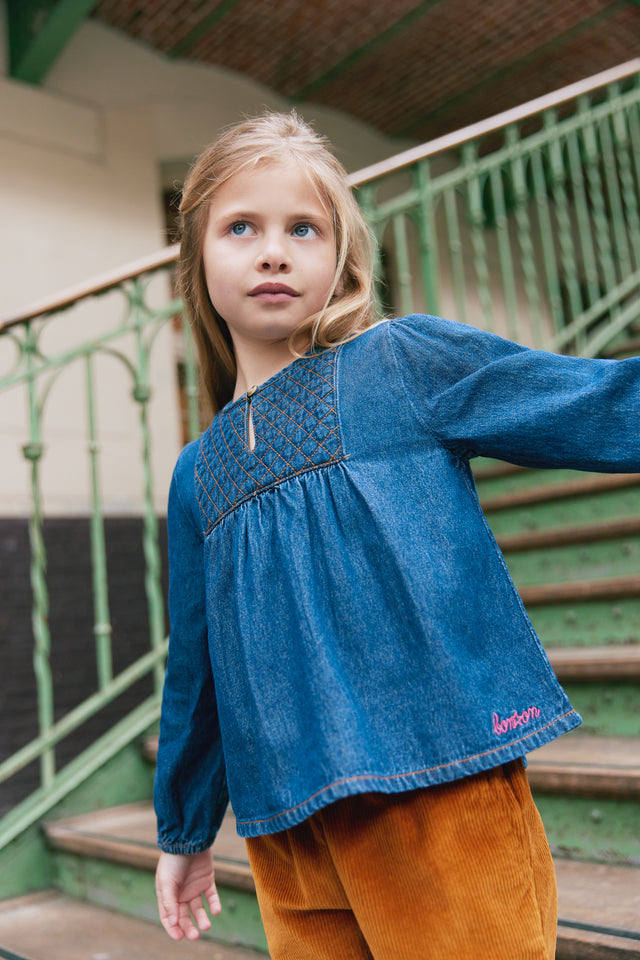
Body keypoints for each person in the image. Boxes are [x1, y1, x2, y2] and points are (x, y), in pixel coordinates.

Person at [153, 111, 639, 960]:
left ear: (339, 254)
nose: (274, 251)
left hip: (438, 789)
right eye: (242, 227)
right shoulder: (197, 474)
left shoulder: (401, 363)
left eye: (303, 227)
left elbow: (595, 406)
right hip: (288, 835)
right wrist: (187, 827)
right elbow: (196, 669)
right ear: (196, 257)